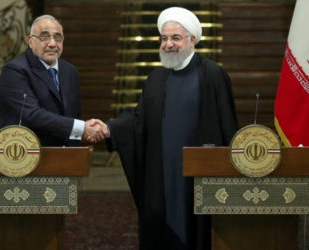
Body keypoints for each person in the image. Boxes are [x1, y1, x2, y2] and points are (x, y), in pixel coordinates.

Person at [88, 7, 238, 250]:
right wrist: (109, 129)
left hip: (199, 176)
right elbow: (138, 120)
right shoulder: (156, 78)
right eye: (164, 38)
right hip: (162, 175)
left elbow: (228, 127)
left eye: (175, 38)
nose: (168, 44)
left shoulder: (212, 74)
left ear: (192, 40)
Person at [0, 15, 104, 146]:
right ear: (31, 41)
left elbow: (73, 115)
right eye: (45, 37)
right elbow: (33, 115)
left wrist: (82, 133)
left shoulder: (70, 71)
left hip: (67, 156)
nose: (53, 43)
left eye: (58, 37)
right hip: (27, 154)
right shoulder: (14, 70)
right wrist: (82, 128)